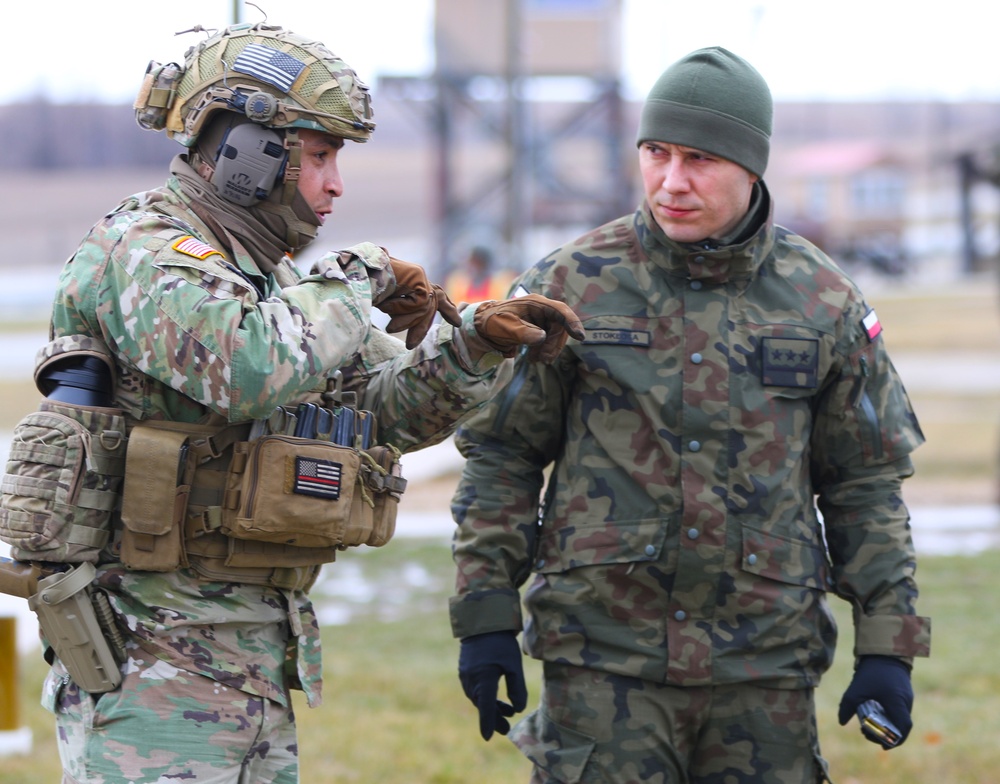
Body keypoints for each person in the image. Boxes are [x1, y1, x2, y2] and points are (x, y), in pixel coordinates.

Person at [0, 20, 583, 784]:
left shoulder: (273, 286)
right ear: (248, 154)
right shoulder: (143, 252)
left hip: (249, 660)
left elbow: (384, 409)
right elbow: (249, 367)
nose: (336, 183)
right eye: (319, 155)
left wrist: (475, 344)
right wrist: (360, 272)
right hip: (152, 669)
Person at [450, 46, 931, 783]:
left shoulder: (823, 300)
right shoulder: (570, 283)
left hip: (762, 668)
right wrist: (485, 619)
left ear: (751, 167)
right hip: (603, 661)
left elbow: (864, 485)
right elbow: (503, 457)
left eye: (700, 159)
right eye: (656, 152)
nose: (672, 182)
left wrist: (887, 648)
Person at [445, 245, 517, 304]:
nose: (472, 267)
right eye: (471, 262)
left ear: (485, 264)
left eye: (477, 263)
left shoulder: (498, 284)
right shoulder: (459, 283)